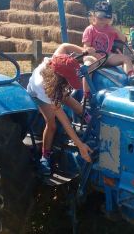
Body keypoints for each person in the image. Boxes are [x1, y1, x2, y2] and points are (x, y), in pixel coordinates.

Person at [27, 43, 94, 175]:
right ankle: (45, 156)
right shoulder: (45, 87)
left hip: (55, 85)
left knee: (74, 103)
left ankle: (90, 120)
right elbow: (65, 121)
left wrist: (84, 50)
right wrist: (80, 145)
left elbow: (64, 45)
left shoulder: (58, 60)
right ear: (61, 79)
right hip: (37, 93)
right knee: (52, 124)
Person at [82, 1, 134, 96]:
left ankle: (131, 76)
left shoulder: (111, 30)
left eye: (106, 16)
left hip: (107, 56)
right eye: (100, 15)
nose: (103, 19)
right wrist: (91, 52)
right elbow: (86, 47)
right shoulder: (90, 29)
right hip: (93, 57)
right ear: (94, 15)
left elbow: (124, 40)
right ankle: (86, 93)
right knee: (87, 67)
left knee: (125, 59)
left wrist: (116, 31)